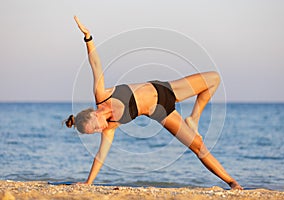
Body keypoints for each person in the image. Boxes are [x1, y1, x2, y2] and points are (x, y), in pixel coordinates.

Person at [65, 16, 243, 190]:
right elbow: (100, 156)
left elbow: (95, 64)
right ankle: (232, 182)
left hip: (165, 89)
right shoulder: (110, 127)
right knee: (199, 147)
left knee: (214, 79)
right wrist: (89, 182)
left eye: (95, 127)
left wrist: (88, 38)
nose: (99, 130)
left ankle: (194, 119)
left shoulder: (102, 95)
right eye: (96, 132)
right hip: (162, 112)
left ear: (93, 114)